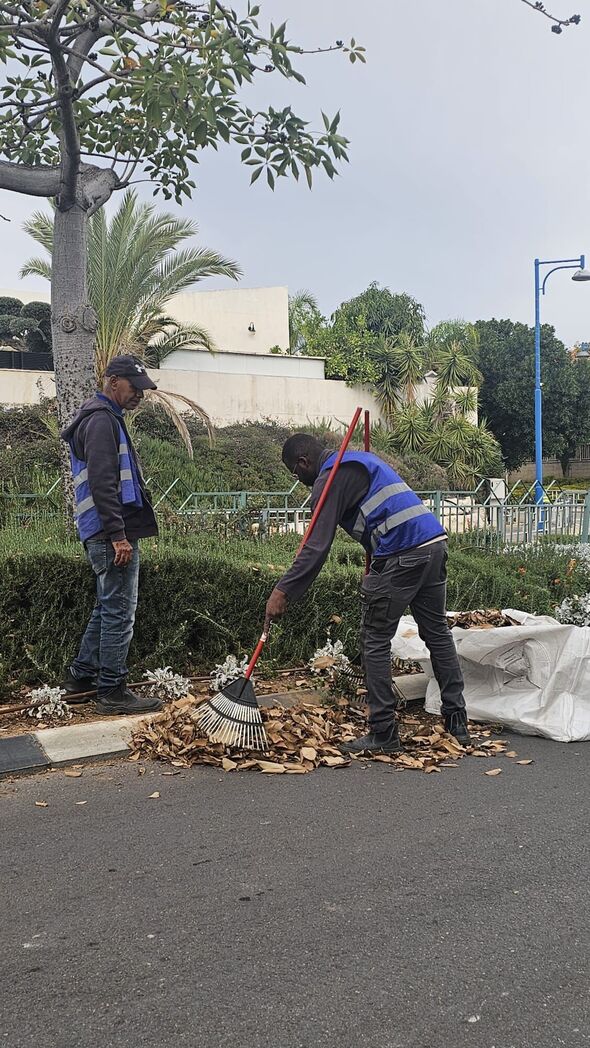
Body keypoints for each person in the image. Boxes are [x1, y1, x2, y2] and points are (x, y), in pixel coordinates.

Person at [264, 434, 471, 754]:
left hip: (402, 553)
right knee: (437, 633)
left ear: (303, 462)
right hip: (434, 545)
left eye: (295, 473)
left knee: (374, 639)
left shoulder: (330, 477)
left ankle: (383, 732)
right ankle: (458, 722)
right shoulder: (361, 460)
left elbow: (316, 547)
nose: (299, 480)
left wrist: (283, 591)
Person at [60, 354, 163, 716]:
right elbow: (104, 482)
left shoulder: (102, 418)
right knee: (120, 612)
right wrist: (119, 535)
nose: (140, 395)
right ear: (114, 381)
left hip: (101, 530)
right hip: (109, 532)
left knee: (107, 607)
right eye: (136, 387)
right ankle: (112, 691)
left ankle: (81, 677)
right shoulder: (102, 421)